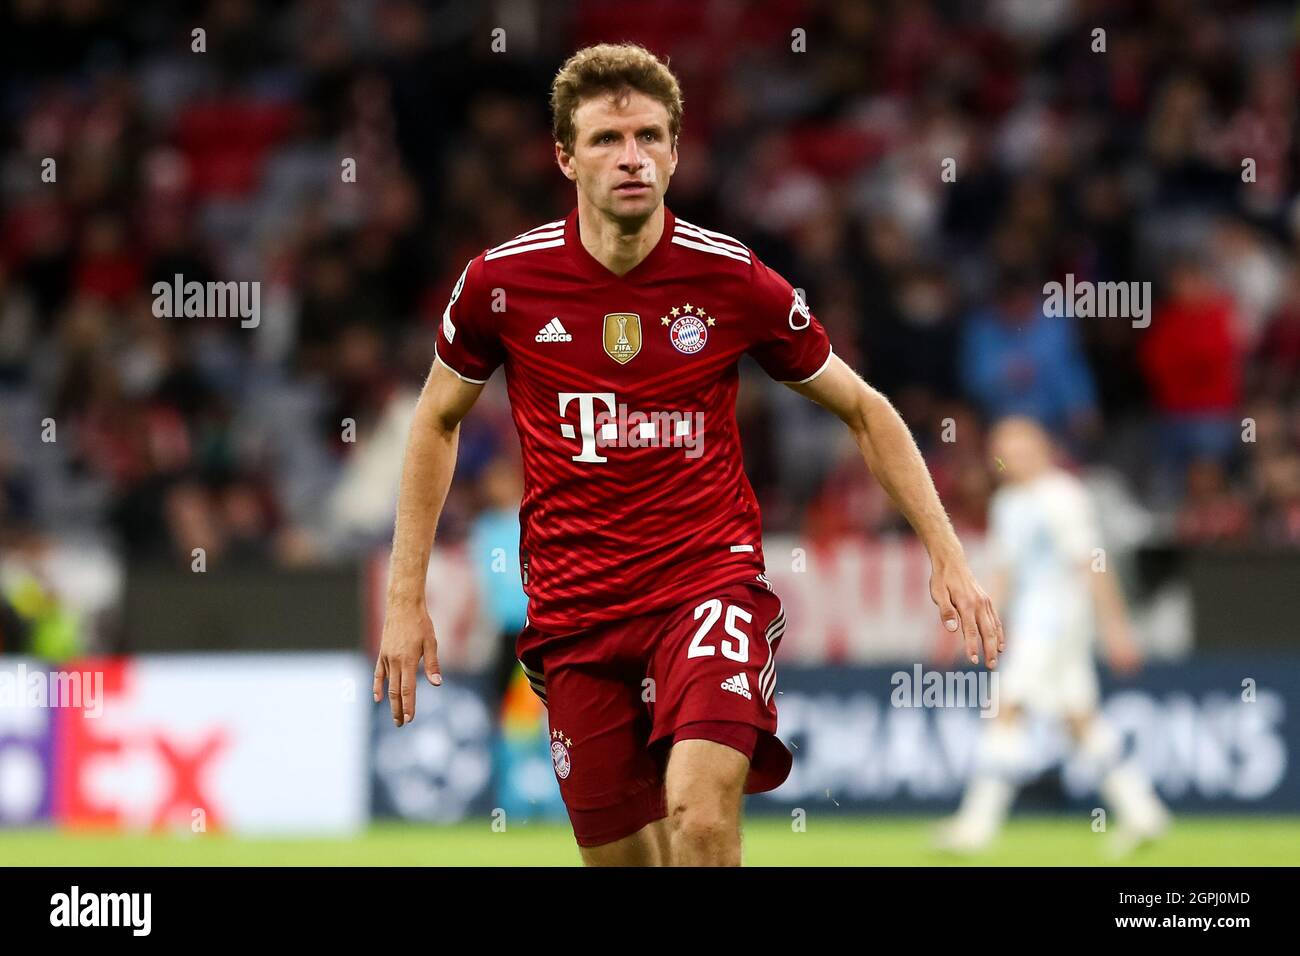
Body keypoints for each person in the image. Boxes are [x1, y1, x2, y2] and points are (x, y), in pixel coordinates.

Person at [374, 43, 1001, 866]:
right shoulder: (502, 284)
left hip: (706, 585)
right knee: (628, 859)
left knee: (702, 821)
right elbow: (435, 422)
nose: (631, 157)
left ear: (674, 150)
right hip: (575, 610)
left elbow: (864, 409)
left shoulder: (732, 279)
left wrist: (946, 553)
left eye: (650, 137)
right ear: (565, 156)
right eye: (606, 139)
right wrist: (405, 595)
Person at [936, 417, 1168, 855]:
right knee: (1078, 718)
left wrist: (1115, 627)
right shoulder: (1008, 504)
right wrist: (973, 623)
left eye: (1018, 448)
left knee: (1006, 708)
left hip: (1058, 622)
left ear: (1041, 448)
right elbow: (1002, 575)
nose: (1008, 459)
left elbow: (1091, 564)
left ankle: (975, 826)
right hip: (1034, 622)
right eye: (1001, 451)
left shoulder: (1063, 496)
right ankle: (1144, 814)